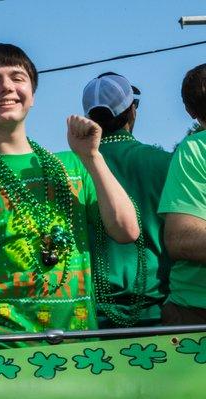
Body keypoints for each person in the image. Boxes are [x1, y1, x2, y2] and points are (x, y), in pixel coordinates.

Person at [0, 43, 139, 345]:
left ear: (33, 94)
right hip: (2, 353)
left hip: (80, 348)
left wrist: (92, 158)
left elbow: (126, 230)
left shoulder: (72, 165)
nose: (6, 87)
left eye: (18, 78)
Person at [83, 72, 173, 327]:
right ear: (132, 111)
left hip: (89, 319)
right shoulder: (165, 163)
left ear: (90, 118)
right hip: (161, 313)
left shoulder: (74, 168)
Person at [158, 63, 206, 325]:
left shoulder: (192, 150)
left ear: (189, 111)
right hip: (197, 313)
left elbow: (181, 238)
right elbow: (181, 239)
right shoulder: (194, 150)